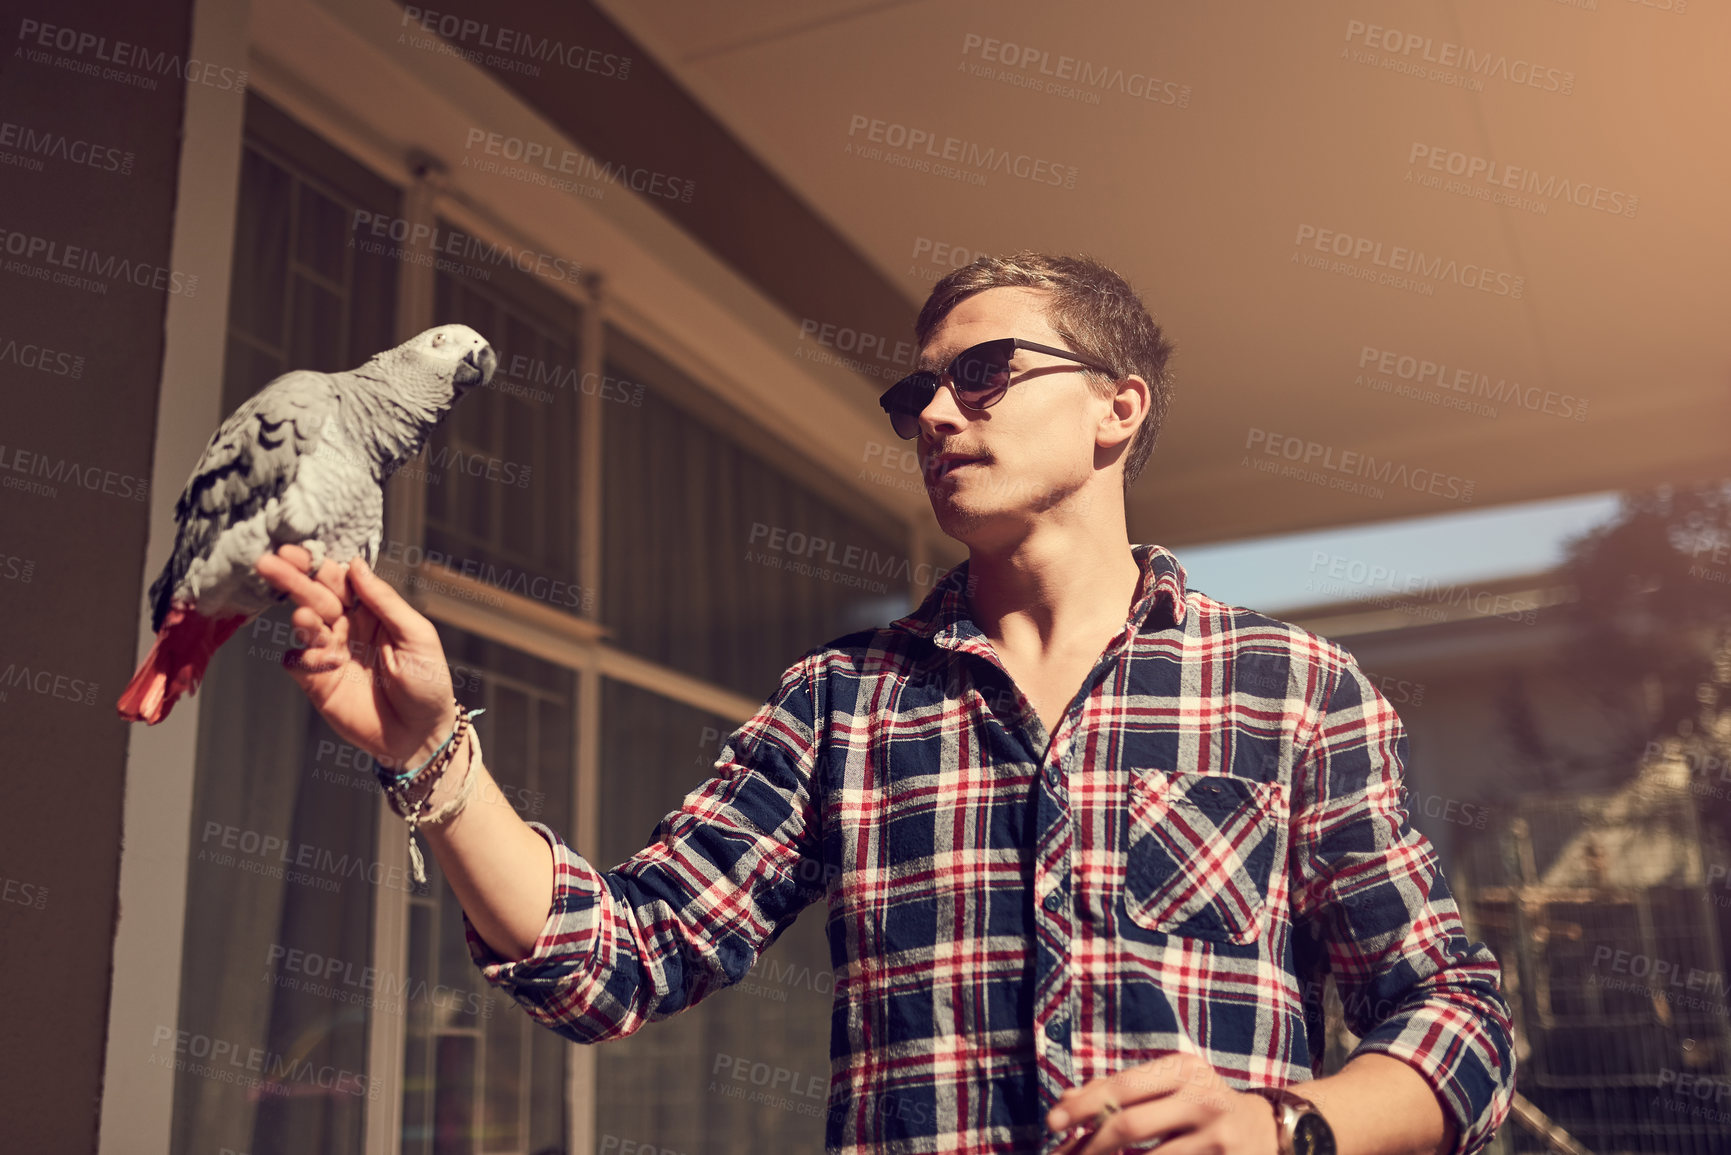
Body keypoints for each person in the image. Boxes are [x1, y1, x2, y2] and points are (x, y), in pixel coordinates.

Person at [257, 252, 1514, 1155]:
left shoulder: (1293, 690)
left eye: (986, 373)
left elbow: (1455, 1016)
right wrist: (432, 747)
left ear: (1117, 410)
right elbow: (619, 961)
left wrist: (1285, 1128)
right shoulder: (839, 707)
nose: (936, 413)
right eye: (916, 396)